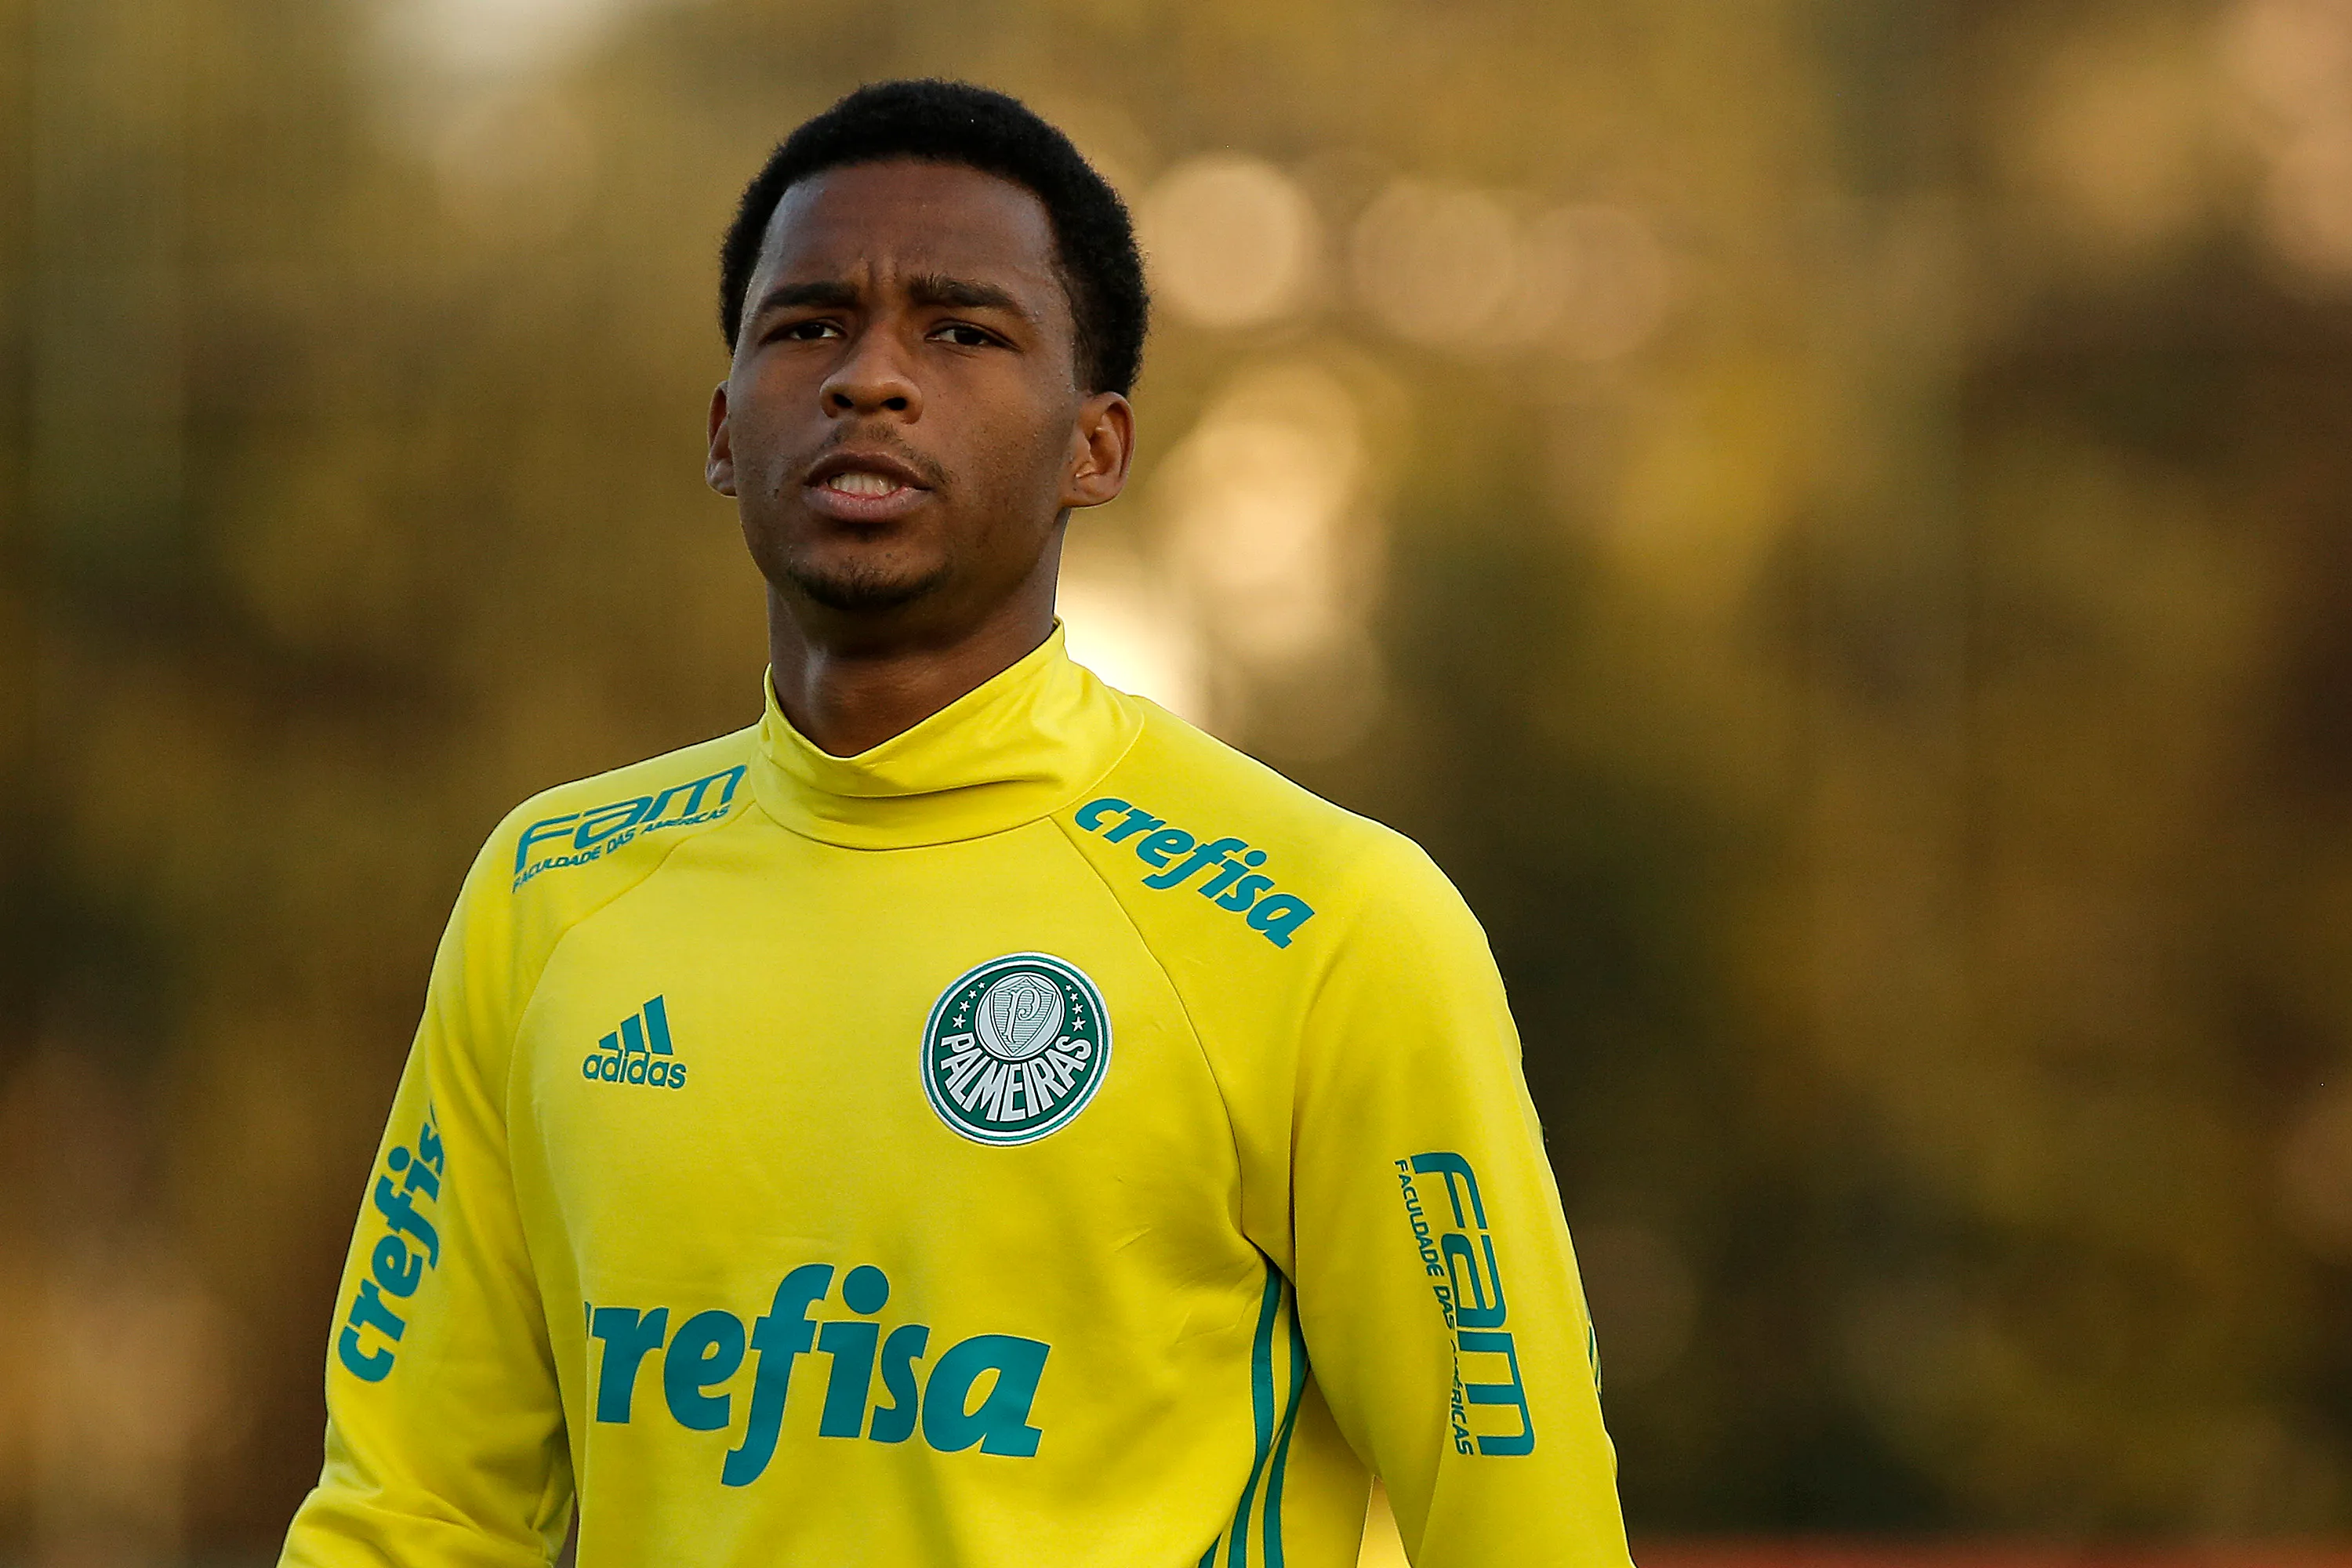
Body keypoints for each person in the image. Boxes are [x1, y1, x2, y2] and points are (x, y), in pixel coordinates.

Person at [278, 78, 1633, 1568]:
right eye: (808, 326)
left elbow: (1522, 1519)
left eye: (962, 331)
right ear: (726, 430)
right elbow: (413, 1511)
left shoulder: (1329, 924)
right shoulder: (552, 894)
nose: (870, 377)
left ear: (1094, 448)